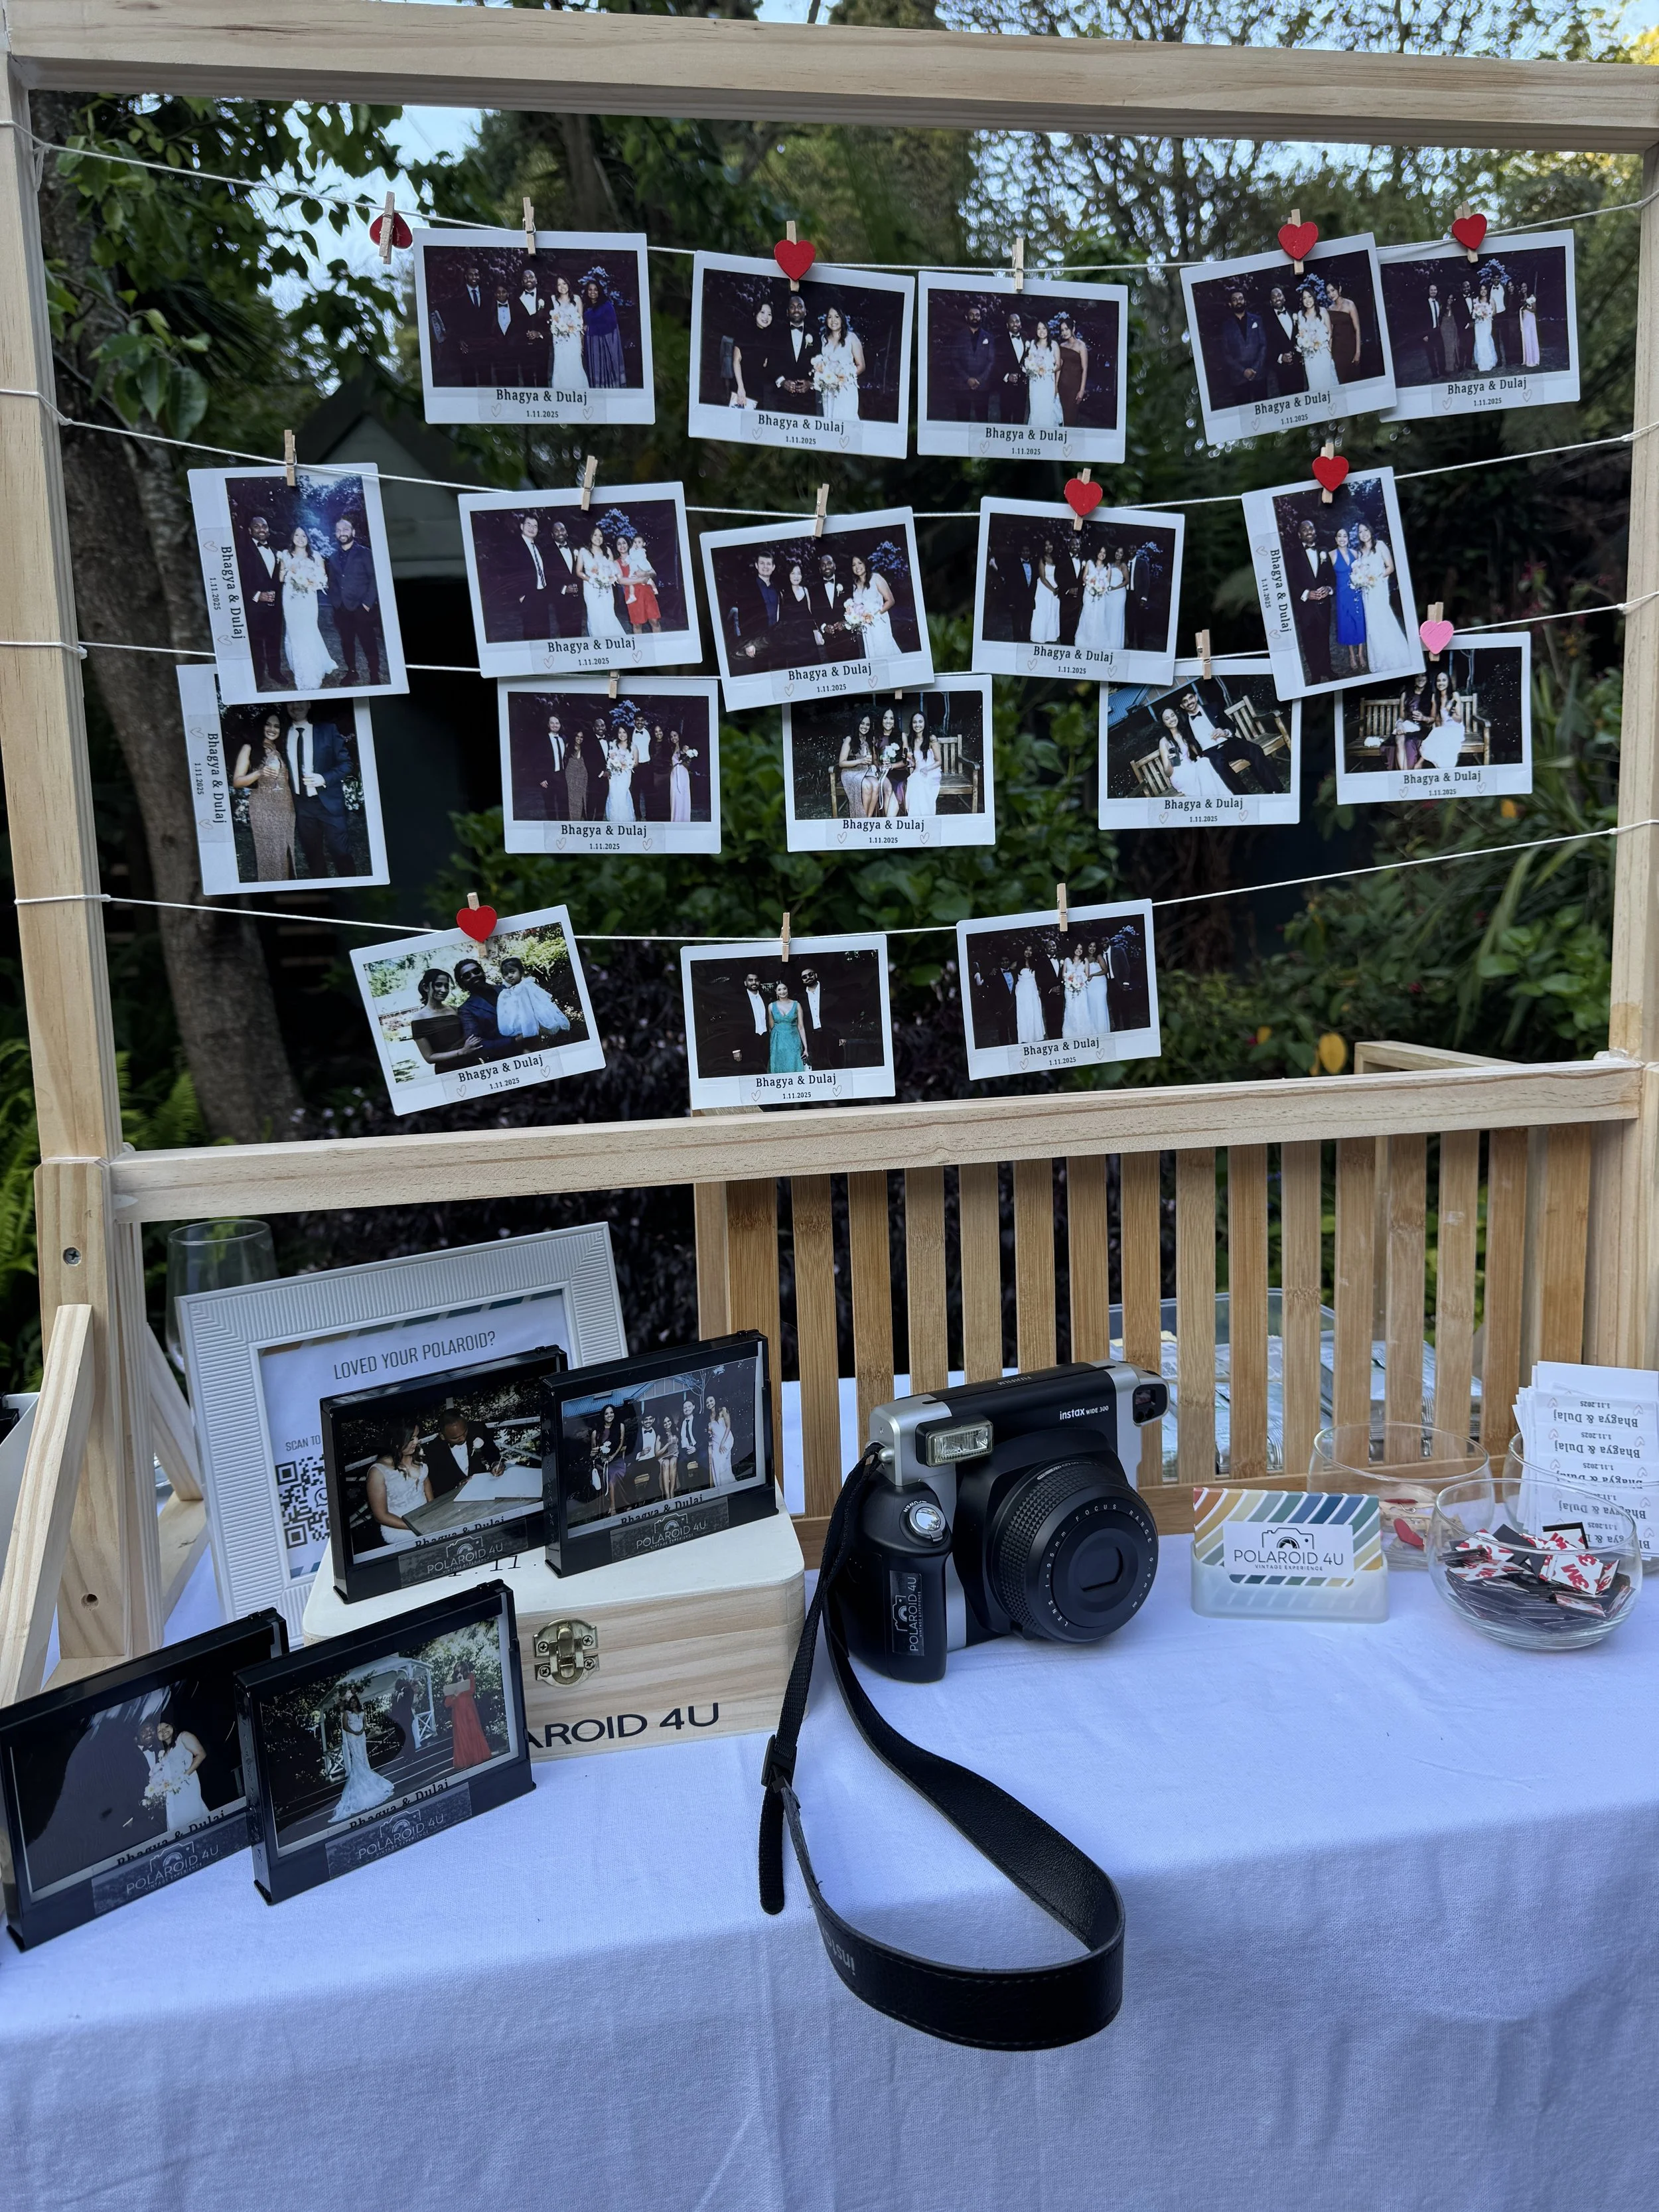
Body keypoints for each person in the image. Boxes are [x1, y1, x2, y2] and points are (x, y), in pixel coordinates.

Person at [281, 701, 356, 877]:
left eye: (300, 702)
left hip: (328, 803)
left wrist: (324, 778)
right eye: (290, 702)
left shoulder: (328, 731)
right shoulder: (283, 734)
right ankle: (324, 890)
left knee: (341, 852)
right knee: (313, 855)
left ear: (308, 705)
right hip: (301, 805)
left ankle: (351, 888)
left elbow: (347, 764)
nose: (295, 706)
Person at [231, 712, 296, 881]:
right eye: (268, 724)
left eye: (277, 726)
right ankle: (271, 888)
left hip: (285, 809)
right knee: (269, 853)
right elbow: (237, 781)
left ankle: (286, 886)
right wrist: (259, 773)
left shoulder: (280, 751)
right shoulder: (250, 748)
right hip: (264, 808)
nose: (272, 729)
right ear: (261, 726)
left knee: (286, 852)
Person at [277, 525, 337, 693]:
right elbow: (281, 578)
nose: (300, 538)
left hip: (308, 600)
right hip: (290, 599)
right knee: (294, 633)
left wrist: (311, 581)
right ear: (292, 538)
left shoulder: (316, 556)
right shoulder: (286, 554)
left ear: (308, 539)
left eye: (304, 535)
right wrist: (289, 568)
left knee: (308, 631)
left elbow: (323, 580)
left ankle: (311, 672)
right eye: (297, 534)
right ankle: (299, 666)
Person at [325, 513, 383, 686]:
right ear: (335, 534)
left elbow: (375, 578)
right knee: (347, 642)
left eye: (346, 529)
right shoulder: (333, 557)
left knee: (368, 642)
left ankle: (374, 673)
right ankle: (352, 672)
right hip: (342, 609)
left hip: (362, 608)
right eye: (338, 530)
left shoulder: (365, 553)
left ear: (353, 532)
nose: (342, 532)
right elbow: (333, 581)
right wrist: (335, 602)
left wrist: (367, 604)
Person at [1352, 520, 1413, 674]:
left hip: (1378, 589)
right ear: (1358, 535)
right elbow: (1359, 571)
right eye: (1360, 532)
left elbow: (1390, 567)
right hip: (1367, 592)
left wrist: (1375, 577)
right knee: (1373, 625)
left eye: (1366, 530)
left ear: (1370, 530)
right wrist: (1362, 579)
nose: (1364, 534)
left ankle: (1395, 658)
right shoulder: (1360, 551)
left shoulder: (1379, 545)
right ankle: (1379, 660)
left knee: (1383, 620)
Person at [235, 510, 287, 688]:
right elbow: (238, 580)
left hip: (275, 607)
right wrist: (258, 595)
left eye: (264, 526)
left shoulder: (276, 552)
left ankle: (275, 672)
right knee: (256, 643)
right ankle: (257, 677)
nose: (261, 529)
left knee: (274, 640)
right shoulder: (242, 552)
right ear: (250, 531)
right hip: (254, 607)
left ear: (268, 530)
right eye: (256, 526)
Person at [331, 1689, 395, 1820]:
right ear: (349, 1703)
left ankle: (367, 1775)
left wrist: (362, 1729)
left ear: (357, 1702)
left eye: (355, 1702)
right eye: (352, 1702)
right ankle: (361, 1780)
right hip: (353, 1737)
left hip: (361, 1735)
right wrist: (354, 1732)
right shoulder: (346, 1713)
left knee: (364, 1756)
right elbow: (344, 1726)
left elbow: (365, 1721)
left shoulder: (361, 1711)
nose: (354, 1703)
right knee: (357, 1759)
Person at [366, 1424, 431, 1551]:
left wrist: (432, 1515)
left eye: (417, 1437)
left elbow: (426, 1483)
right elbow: (381, 1516)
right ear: (395, 1441)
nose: (417, 1442)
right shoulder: (378, 1472)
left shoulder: (418, 1457)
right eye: (411, 1438)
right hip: (401, 1530)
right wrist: (416, 1526)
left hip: (426, 1522)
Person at [409, 969, 485, 1074]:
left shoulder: (455, 1010)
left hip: (473, 1065)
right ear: (426, 988)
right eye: (438, 985)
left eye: (446, 986)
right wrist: (461, 1051)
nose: (444, 990)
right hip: (448, 1071)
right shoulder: (419, 1019)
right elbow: (429, 1057)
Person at [143, 1718, 208, 1833]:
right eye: (159, 1731)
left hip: (188, 1787)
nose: (163, 1731)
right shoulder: (164, 1753)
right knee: (180, 1829)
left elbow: (201, 1754)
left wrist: (184, 1776)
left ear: (172, 1725)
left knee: (196, 1823)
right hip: (173, 1797)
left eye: (166, 1726)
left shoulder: (183, 1737)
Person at [1289, 518, 1334, 686]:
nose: (1309, 531)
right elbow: (1291, 581)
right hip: (1306, 607)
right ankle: (1315, 674)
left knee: (1324, 637)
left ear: (1315, 531)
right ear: (1299, 534)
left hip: (1324, 606)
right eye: (1305, 529)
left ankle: (1327, 669)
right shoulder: (1293, 555)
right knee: (1309, 640)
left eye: (1311, 528)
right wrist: (1306, 594)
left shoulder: (1324, 552)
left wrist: (1329, 589)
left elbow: (1332, 577)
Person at [426, 1402, 503, 1497]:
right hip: (455, 1498)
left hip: (485, 1489)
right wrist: (458, 1486)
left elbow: (491, 1451)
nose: (463, 1439)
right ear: (442, 1436)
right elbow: (438, 1484)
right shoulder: (433, 1451)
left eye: (465, 1432)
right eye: (456, 1438)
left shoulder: (478, 1429)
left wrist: (495, 1463)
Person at [1156, 707, 1232, 801]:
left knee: (1205, 763)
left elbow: (1196, 753)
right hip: (1179, 776)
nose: (1171, 719)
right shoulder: (1164, 742)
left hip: (1191, 768)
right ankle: (1218, 802)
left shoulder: (1183, 733)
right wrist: (1171, 761)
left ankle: (1220, 801)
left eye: (1173, 715)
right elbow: (1168, 773)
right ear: (1164, 723)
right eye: (1167, 718)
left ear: (1176, 716)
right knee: (1205, 772)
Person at [504, 511, 554, 641]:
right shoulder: (515, 547)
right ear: (522, 526)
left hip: (542, 593)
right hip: (528, 595)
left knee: (545, 630)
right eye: (529, 525)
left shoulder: (537, 547)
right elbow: (510, 572)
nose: (532, 528)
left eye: (535, 526)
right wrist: (520, 595)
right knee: (531, 631)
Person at [729, 550, 783, 664]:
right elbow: (743, 616)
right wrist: (748, 643)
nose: (765, 567)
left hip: (775, 640)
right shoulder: (748, 587)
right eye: (762, 563)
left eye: (769, 564)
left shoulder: (777, 589)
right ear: (757, 565)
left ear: (773, 567)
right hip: (756, 643)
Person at [813, 302, 863, 423]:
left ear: (842, 318)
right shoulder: (824, 339)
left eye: (836, 316)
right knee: (829, 420)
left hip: (846, 388)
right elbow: (822, 363)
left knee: (846, 421)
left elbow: (861, 366)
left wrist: (845, 378)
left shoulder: (851, 338)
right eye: (830, 317)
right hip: (828, 390)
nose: (833, 320)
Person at [844, 552, 898, 664]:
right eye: (854, 565)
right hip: (866, 627)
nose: (857, 567)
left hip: (879, 622)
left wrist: (875, 615)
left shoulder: (876, 578)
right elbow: (859, 605)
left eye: (859, 563)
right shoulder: (855, 584)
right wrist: (851, 611)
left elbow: (891, 600)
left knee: (885, 651)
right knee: (873, 655)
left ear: (865, 563)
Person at [949, 301, 997, 421]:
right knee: (962, 418)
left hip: (982, 386)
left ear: (981, 317)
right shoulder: (958, 337)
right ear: (967, 317)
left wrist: (980, 380)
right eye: (972, 315)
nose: (975, 317)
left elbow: (991, 361)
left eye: (977, 315)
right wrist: (968, 379)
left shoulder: (989, 337)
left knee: (982, 420)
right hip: (962, 385)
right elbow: (955, 360)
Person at [1331, 524, 1368, 679]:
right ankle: (1351, 655)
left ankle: (1360, 654)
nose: (1342, 539)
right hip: (1342, 594)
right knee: (1346, 623)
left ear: (1348, 538)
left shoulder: (1355, 553)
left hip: (1355, 592)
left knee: (1359, 621)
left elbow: (1362, 571)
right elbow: (1326, 576)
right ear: (1336, 539)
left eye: (1345, 536)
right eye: (1339, 536)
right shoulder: (1331, 555)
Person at [578, 526, 628, 640]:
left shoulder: (607, 550)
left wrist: (612, 578)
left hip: (606, 589)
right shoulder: (583, 551)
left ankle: (613, 642)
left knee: (608, 614)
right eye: (595, 535)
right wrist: (591, 580)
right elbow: (579, 572)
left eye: (601, 535)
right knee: (596, 616)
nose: (598, 538)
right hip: (591, 589)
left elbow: (612, 569)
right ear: (590, 536)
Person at [1218, 286, 1267, 401]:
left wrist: (1255, 368)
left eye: (1241, 298)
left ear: (1245, 301)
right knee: (1245, 415)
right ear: (1230, 304)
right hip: (1238, 378)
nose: (1238, 302)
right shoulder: (1226, 326)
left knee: (1263, 411)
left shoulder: (1257, 320)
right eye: (1235, 300)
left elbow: (1263, 345)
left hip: (1258, 374)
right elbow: (1226, 354)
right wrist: (1243, 371)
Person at [774, 291, 820, 412]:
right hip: (782, 400)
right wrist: (782, 381)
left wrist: (811, 384)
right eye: (792, 307)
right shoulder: (776, 334)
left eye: (800, 306)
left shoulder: (816, 336)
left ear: (805, 311)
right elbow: (772, 362)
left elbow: (821, 365)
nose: (796, 310)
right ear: (787, 312)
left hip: (807, 402)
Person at [541, 518, 586, 637]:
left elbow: (581, 570)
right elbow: (546, 576)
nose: (560, 532)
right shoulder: (547, 552)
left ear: (566, 532)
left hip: (577, 598)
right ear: (552, 535)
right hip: (561, 599)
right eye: (556, 531)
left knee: (578, 630)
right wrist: (563, 589)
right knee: (565, 631)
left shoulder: (575, 547)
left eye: (562, 530)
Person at [809, 551, 855, 661]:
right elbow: (815, 612)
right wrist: (824, 626)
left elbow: (855, 606)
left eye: (829, 563)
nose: (827, 567)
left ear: (834, 566)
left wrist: (846, 623)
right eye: (823, 565)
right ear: (820, 569)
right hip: (830, 642)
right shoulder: (814, 590)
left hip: (848, 638)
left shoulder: (847, 584)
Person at [582, 274, 626, 387]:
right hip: (592, 346)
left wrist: (590, 329)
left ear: (600, 291)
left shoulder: (607, 306)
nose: (593, 292)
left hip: (605, 345)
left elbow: (611, 325)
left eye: (596, 290)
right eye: (590, 290)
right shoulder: (586, 307)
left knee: (607, 370)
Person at [731, 300, 776, 409]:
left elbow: (765, 363)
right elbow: (736, 360)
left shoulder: (770, 337)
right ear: (755, 313)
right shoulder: (744, 331)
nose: (766, 317)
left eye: (769, 314)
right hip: (741, 384)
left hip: (758, 388)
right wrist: (741, 387)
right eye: (762, 312)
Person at [443, 1668, 492, 1771]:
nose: (460, 1676)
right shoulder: (452, 1689)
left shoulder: (468, 1684)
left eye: (461, 1675)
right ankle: (466, 1760)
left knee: (473, 1733)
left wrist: (463, 1684)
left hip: (469, 1713)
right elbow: (447, 1704)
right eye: (457, 1675)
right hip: (459, 1717)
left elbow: (472, 1691)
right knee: (463, 1737)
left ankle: (477, 1757)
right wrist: (455, 1695)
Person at [546, 273, 587, 394]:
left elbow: (580, 322)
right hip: (559, 340)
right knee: (561, 365)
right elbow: (552, 319)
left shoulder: (577, 299)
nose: (562, 287)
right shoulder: (553, 299)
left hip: (574, 339)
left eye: (564, 283)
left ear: (569, 284)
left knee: (574, 364)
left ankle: (579, 392)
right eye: (559, 284)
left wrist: (581, 342)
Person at [510, 263, 549, 387]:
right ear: (522, 282)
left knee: (542, 376)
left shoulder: (547, 296)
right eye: (525, 278)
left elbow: (552, 318)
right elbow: (514, 321)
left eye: (531, 277)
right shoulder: (515, 298)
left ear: (536, 280)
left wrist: (540, 334)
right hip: (523, 345)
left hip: (542, 345)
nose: (529, 280)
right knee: (527, 377)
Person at [1295, 285, 1338, 396]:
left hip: (1323, 354)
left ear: (1314, 297)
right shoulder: (1300, 315)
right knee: (1314, 385)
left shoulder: (1323, 312)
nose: (1307, 300)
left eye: (1309, 296)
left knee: (1327, 383)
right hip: (1309, 358)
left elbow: (1330, 334)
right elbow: (1301, 334)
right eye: (1304, 298)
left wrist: (1331, 354)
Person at [616, 532, 661, 634]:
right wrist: (641, 580)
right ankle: (640, 649)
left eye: (624, 543)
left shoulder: (639, 556)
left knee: (655, 621)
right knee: (637, 624)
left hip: (647, 591)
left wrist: (645, 573)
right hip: (633, 595)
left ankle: (659, 646)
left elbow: (653, 573)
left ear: (629, 544)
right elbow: (621, 580)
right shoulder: (617, 562)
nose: (622, 546)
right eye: (619, 544)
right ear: (617, 547)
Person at [1265, 285, 1303, 396]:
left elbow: (1300, 337)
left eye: (1279, 295)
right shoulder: (1266, 320)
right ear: (1271, 302)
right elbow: (1266, 345)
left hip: (1298, 367)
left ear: (1284, 298)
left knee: (1301, 395)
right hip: (1282, 370)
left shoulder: (1294, 315)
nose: (1277, 298)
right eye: (1274, 297)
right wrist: (1280, 357)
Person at [1023, 319, 1062, 428]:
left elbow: (1059, 365)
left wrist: (1048, 370)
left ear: (1048, 330)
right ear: (1036, 331)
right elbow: (1029, 362)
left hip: (1048, 383)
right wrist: (1033, 370)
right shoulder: (1032, 344)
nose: (1041, 331)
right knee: (1036, 409)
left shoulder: (1054, 345)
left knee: (1047, 410)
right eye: (1039, 329)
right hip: (1035, 384)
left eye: (1044, 328)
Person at [993, 310, 1029, 423]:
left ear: (1021, 324)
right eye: (1012, 322)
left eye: (1017, 321)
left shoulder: (1026, 339)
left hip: (1022, 387)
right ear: (1007, 325)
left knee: (1020, 417)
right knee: (1006, 417)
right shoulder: (1000, 341)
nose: (1015, 324)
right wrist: (1006, 376)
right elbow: (996, 362)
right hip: (1006, 387)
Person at [1054, 311, 1090, 422]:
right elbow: (1059, 368)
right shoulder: (1061, 346)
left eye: (1066, 329)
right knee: (1061, 417)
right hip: (1062, 386)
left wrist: (1082, 390)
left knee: (1071, 418)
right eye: (1062, 330)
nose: (1064, 332)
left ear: (1073, 329)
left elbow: (1085, 369)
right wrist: (1055, 386)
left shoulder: (1081, 346)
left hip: (1074, 388)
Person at [768, 978, 808, 1073]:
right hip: (778, 1042)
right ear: (776, 992)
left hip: (793, 1040)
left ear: (788, 990)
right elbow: (771, 1027)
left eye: (784, 989)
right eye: (779, 990)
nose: (782, 992)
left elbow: (801, 1027)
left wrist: (806, 1048)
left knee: (795, 1064)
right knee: (778, 1066)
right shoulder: (771, 1006)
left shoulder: (797, 1005)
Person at [839, 715, 876, 818]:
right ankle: (860, 818)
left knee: (876, 785)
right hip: (850, 771)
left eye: (868, 725)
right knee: (868, 786)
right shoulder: (849, 739)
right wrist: (860, 761)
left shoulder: (868, 739)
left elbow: (872, 759)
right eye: (862, 723)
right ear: (857, 724)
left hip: (864, 770)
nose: (865, 727)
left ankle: (867, 819)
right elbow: (842, 763)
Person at [906, 711, 941, 817]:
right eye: (915, 722)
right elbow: (914, 763)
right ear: (912, 724)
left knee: (919, 783)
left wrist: (927, 769)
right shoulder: (911, 740)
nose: (918, 725)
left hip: (932, 770)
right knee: (913, 781)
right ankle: (916, 818)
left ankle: (925, 816)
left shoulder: (931, 739)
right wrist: (910, 763)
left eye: (920, 722)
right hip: (918, 772)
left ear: (925, 723)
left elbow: (939, 761)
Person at [1327, 279, 1362, 380]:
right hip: (1337, 351)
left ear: (1339, 289)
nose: (1331, 294)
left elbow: (1357, 329)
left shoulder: (1350, 305)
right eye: (1328, 292)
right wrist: (1330, 355)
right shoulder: (1329, 310)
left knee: (1354, 379)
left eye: (1333, 290)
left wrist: (1358, 352)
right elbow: (1331, 334)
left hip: (1351, 349)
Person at [1029, 540, 1062, 644]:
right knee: (1043, 612)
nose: (1048, 547)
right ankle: (1039, 636)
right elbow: (1043, 578)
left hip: (1055, 588)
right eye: (1046, 545)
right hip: (1044, 589)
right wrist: (1053, 590)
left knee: (1053, 612)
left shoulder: (1056, 558)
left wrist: (1058, 588)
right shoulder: (1042, 559)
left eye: (1050, 544)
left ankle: (1051, 635)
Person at [1015, 947, 1046, 1043]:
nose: (1028, 952)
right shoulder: (1017, 963)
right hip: (1022, 992)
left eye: (1030, 950)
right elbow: (1004, 969)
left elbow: (1041, 977)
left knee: (1034, 1013)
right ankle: (1024, 1037)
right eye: (1026, 950)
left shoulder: (1035, 963)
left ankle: (1036, 1035)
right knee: (1024, 1014)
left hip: (1032, 991)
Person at [603, 735, 636, 823]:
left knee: (622, 795)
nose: (622, 735)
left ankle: (625, 819)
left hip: (625, 774)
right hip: (614, 775)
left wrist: (626, 765)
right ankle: (614, 819)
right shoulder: (614, 744)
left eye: (624, 732)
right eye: (620, 732)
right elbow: (610, 758)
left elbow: (636, 763)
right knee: (613, 794)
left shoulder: (633, 746)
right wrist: (614, 764)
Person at [1422, 283, 1450, 382]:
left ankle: (1442, 370)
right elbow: (1420, 320)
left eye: (1435, 290)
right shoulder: (1424, 304)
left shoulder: (1438, 302)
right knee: (1430, 353)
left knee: (1441, 352)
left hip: (1438, 331)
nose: (1433, 292)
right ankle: (1435, 373)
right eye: (1432, 290)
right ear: (1429, 291)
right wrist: (1424, 334)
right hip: (1428, 332)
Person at [563, 726, 591, 822]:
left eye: (581, 737)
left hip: (582, 777)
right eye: (578, 736)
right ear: (574, 737)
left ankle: (581, 817)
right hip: (570, 776)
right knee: (572, 799)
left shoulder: (585, 748)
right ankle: (573, 819)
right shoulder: (568, 747)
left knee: (581, 799)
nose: (579, 739)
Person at [1471, 282, 1498, 374]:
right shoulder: (1476, 300)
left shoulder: (1491, 300)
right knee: (1479, 342)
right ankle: (1482, 363)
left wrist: (1487, 314)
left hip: (1487, 323)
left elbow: (1494, 312)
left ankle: (1489, 362)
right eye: (1481, 289)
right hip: (1479, 324)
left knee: (1486, 340)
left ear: (1487, 290)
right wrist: (1478, 315)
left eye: (1485, 289)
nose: (1483, 291)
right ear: (1479, 291)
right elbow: (1473, 313)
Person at [1085, 942, 1112, 1035]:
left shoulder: (1099, 956)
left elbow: (1105, 970)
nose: (1092, 948)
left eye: (1094, 946)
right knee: (1091, 1006)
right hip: (1089, 986)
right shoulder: (1085, 958)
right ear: (1087, 947)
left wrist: (1093, 975)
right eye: (1090, 946)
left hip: (1100, 984)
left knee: (1100, 1005)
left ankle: (1103, 1030)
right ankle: (1094, 1031)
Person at [668, 733, 694, 822]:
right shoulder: (672, 749)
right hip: (674, 775)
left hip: (683, 774)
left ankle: (684, 820)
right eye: (671, 736)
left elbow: (689, 765)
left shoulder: (685, 747)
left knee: (683, 797)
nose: (673, 738)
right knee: (675, 797)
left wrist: (684, 760)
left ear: (679, 736)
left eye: (675, 735)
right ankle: (675, 820)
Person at [709, 1404, 735, 1485]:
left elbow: (728, 1427)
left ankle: (727, 1484)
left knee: (722, 1461)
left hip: (725, 1439)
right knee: (714, 1458)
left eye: (711, 1401)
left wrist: (722, 1443)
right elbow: (711, 1431)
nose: (709, 1403)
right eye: (707, 1402)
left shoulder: (723, 1410)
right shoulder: (709, 1416)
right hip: (715, 1441)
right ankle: (719, 1485)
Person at [1520, 287, 1541, 368]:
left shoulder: (1531, 297)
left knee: (1532, 337)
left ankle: (1534, 359)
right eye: (1522, 287)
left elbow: (1534, 309)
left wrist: (1526, 308)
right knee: (1526, 338)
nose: (1523, 289)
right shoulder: (1521, 298)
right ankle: (1528, 359)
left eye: (1525, 287)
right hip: (1525, 320)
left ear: (1528, 288)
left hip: (1531, 319)